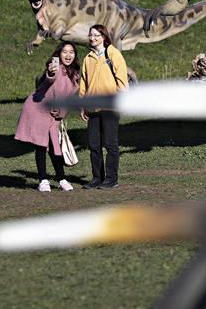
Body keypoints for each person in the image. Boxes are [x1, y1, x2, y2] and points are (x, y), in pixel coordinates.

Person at [15, 41, 80, 192]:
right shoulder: (55, 68)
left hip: (54, 113)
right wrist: (50, 71)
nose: (68, 55)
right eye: (64, 52)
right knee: (41, 145)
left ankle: (61, 179)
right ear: (59, 54)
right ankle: (43, 180)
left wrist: (61, 112)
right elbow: (49, 77)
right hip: (38, 109)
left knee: (55, 146)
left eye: (71, 52)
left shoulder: (75, 75)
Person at [79, 24, 128, 189]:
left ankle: (111, 179)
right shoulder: (88, 58)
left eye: (96, 35)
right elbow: (83, 84)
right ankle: (97, 178)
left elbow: (122, 81)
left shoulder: (113, 54)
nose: (92, 38)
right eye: (90, 35)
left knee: (110, 144)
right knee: (94, 145)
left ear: (104, 37)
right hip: (92, 108)